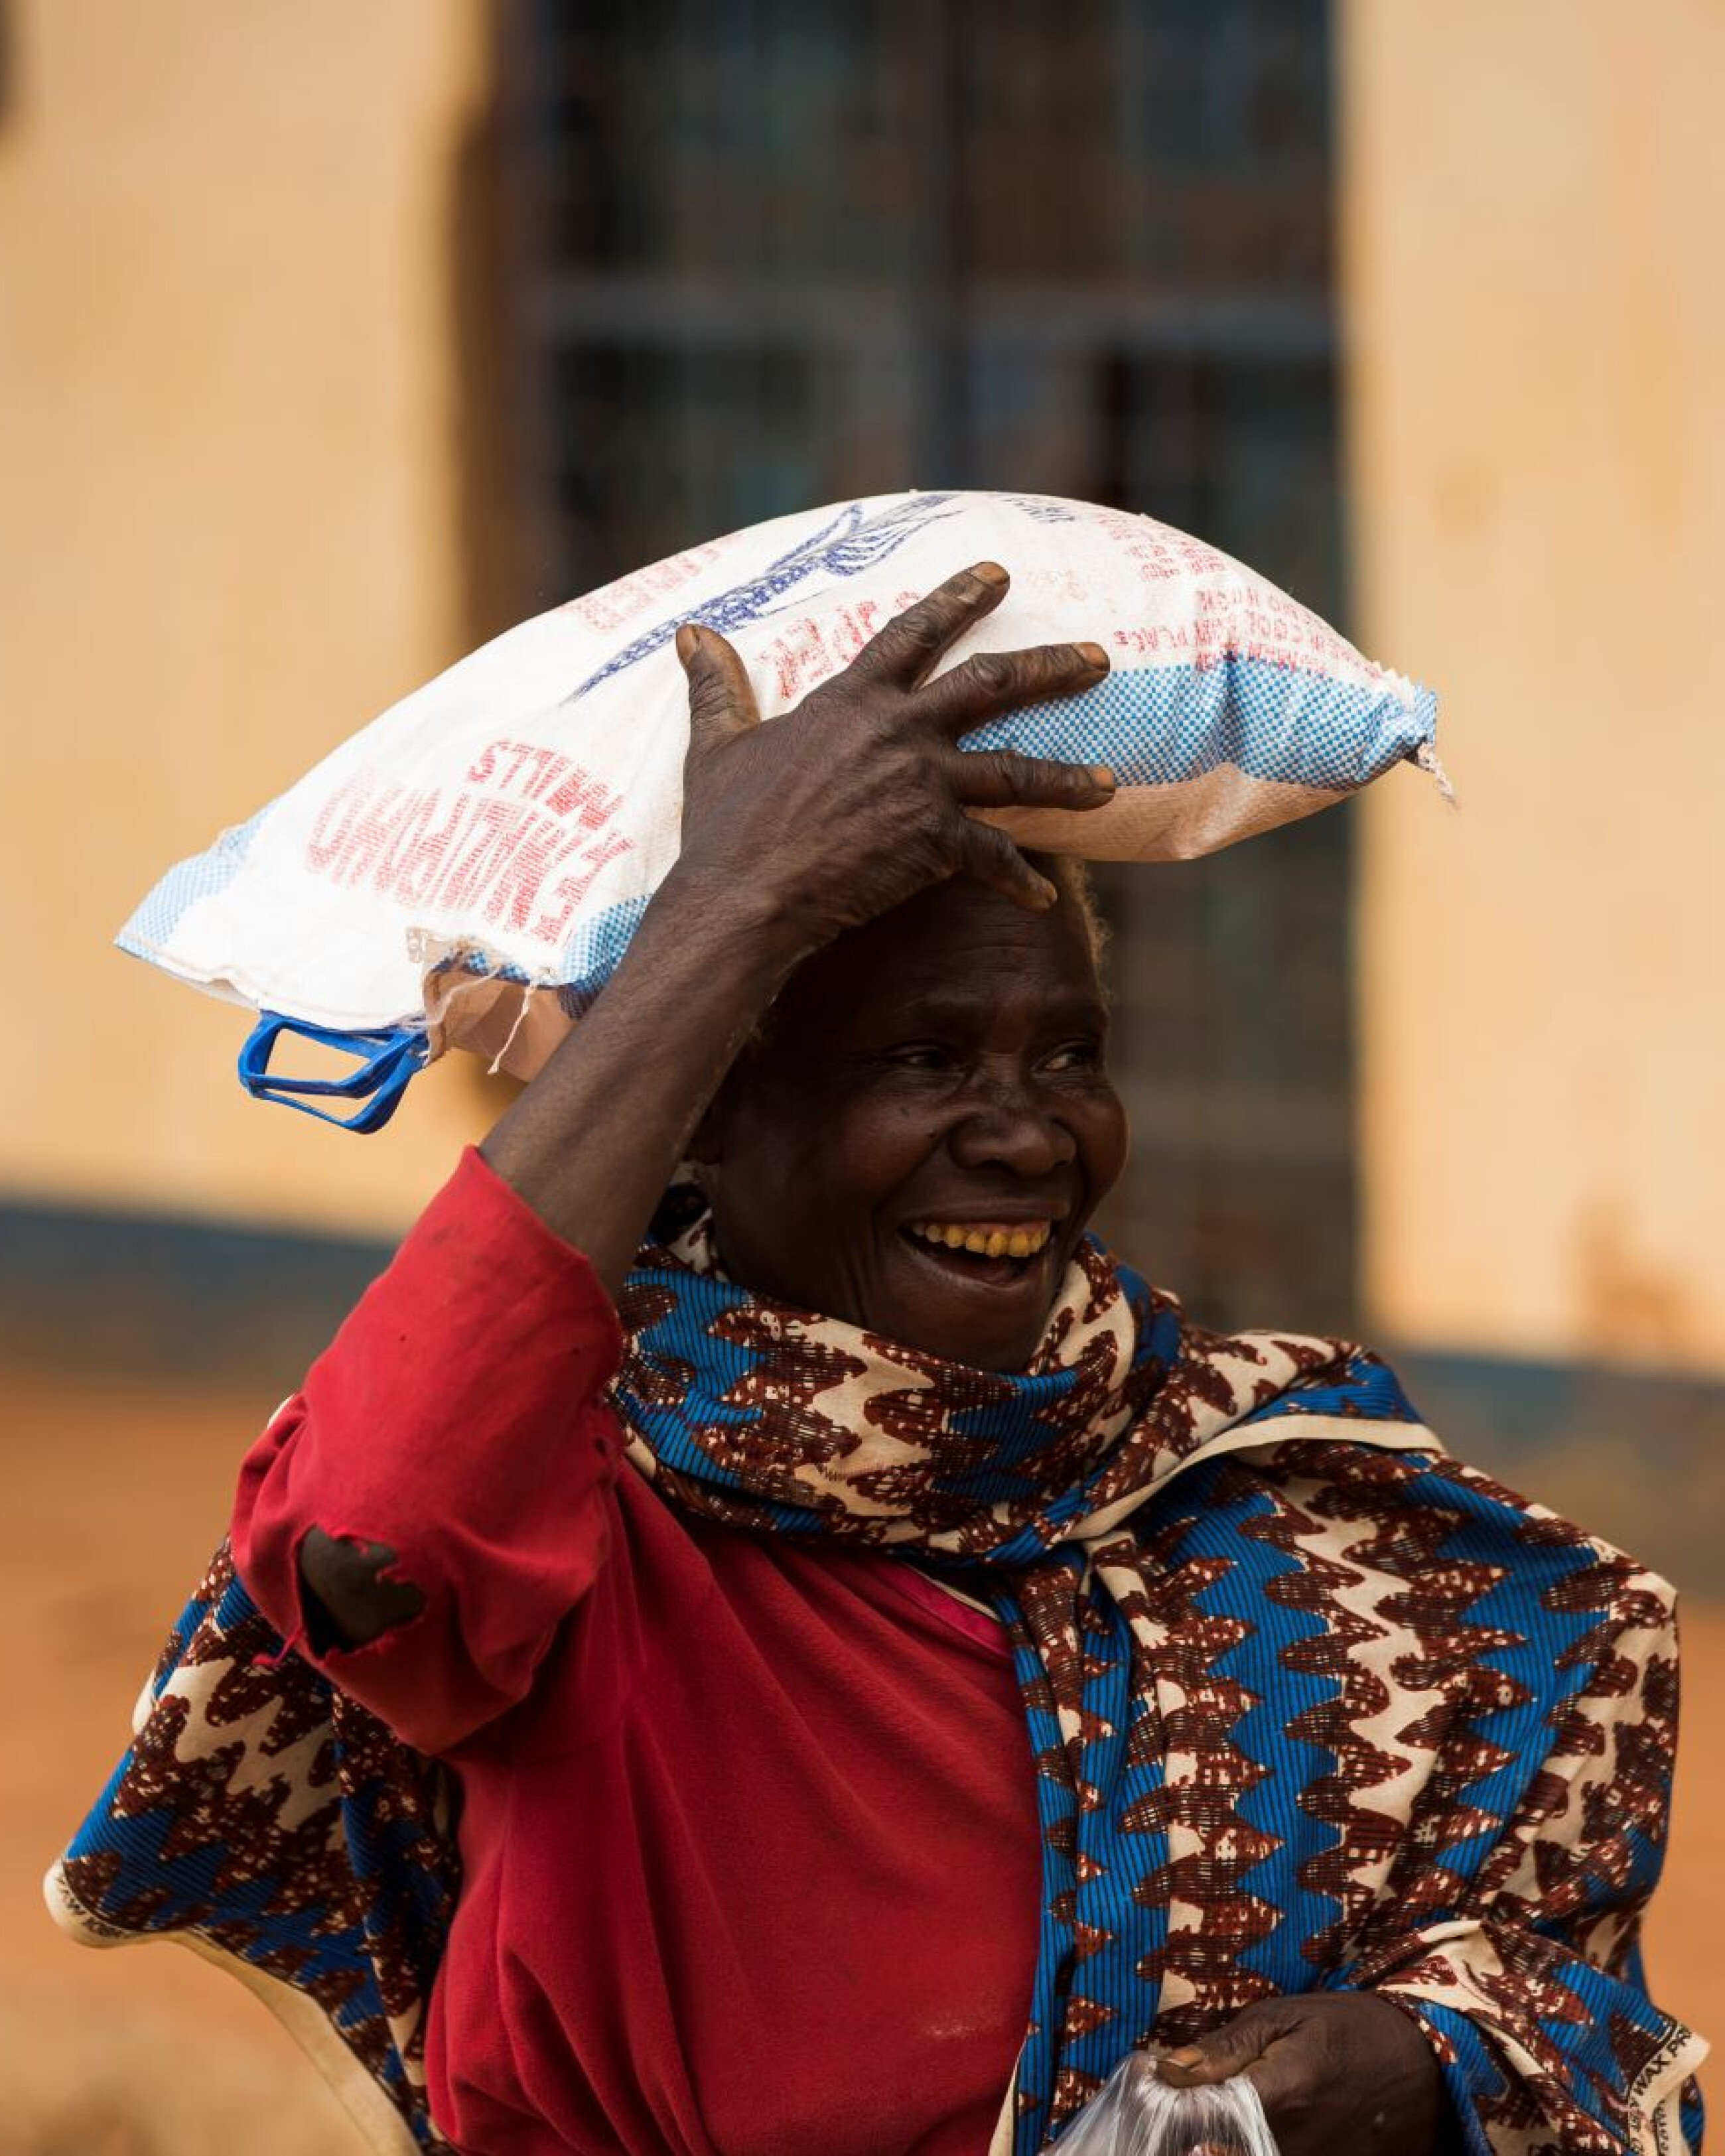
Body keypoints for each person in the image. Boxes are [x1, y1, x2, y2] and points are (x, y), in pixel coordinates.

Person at [66, 567, 1702, 2155]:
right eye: (920, 1060)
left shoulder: (1245, 1475)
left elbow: (1538, 1967)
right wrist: (736, 905)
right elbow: (370, 1537)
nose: (1022, 1132)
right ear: (707, 1119)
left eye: (1067, 1053)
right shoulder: (584, 1506)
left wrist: (1407, 2056)